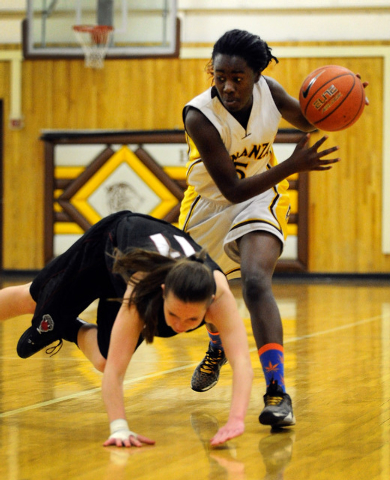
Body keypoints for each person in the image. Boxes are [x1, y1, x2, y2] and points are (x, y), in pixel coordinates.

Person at [179, 29, 368, 427]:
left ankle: (277, 393)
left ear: (257, 75)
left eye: (238, 77)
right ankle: (217, 344)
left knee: (255, 282)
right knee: (206, 294)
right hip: (210, 205)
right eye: (220, 76)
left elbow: (311, 119)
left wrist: (346, 100)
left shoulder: (270, 91)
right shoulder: (199, 115)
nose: (228, 86)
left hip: (260, 196)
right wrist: (292, 166)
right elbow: (230, 189)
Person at [0, 211, 253, 447]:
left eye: (191, 321)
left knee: (104, 358)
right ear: (163, 293)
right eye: (173, 314)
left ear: (209, 303)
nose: (179, 325)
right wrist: (119, 427)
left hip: (138, 255)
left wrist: (236, 419)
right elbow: (116, 374)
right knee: (32, 298)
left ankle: (65, 326)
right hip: (106, 247)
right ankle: (56, 318)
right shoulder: (141, 289)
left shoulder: (219, 295)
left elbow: (241, 361)